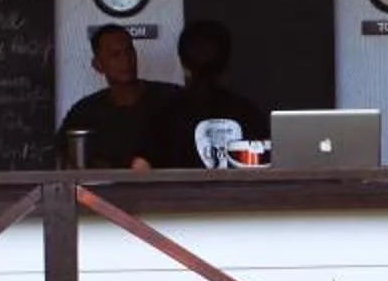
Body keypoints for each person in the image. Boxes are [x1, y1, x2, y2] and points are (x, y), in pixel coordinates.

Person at [57, 24, 177, 169]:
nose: (125, 60)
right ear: (98, 65)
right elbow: (61, 156)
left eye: (129, 51)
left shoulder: (171, 99)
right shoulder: (84, 112)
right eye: (115, 55)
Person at [162, 19, 270, 169]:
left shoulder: (164, 113)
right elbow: (264, 164)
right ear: (227, 62)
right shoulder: (248, 111)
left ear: (183, 64)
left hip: (177, 193)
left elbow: (141, 167)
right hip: (238, 192)